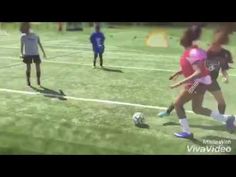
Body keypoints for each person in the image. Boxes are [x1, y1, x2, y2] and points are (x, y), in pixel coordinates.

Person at [161, 25, 235, 138]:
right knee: (197, 108)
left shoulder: (196, 52)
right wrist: (178, 73)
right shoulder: (200, 51)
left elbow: (200, 71)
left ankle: (187, 131)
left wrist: (180, 83)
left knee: (178, 103)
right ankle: (227, 118)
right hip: (201, 82)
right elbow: (196, 66)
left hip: (198, 82)